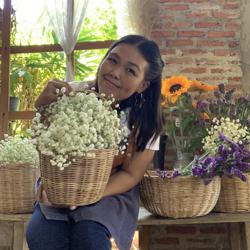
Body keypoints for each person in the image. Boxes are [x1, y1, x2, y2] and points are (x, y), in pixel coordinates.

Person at [26, 34, 164, 250]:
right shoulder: (72, 93)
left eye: (130, 70)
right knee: (43, 235)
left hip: (111, 192)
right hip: (63, 185)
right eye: (113, 60)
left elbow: (131, 175)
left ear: (143, 85)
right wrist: (42, 107)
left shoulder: (146, 124)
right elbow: (46, 144)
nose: (115, 73)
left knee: (90, 235)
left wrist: (89, 195)